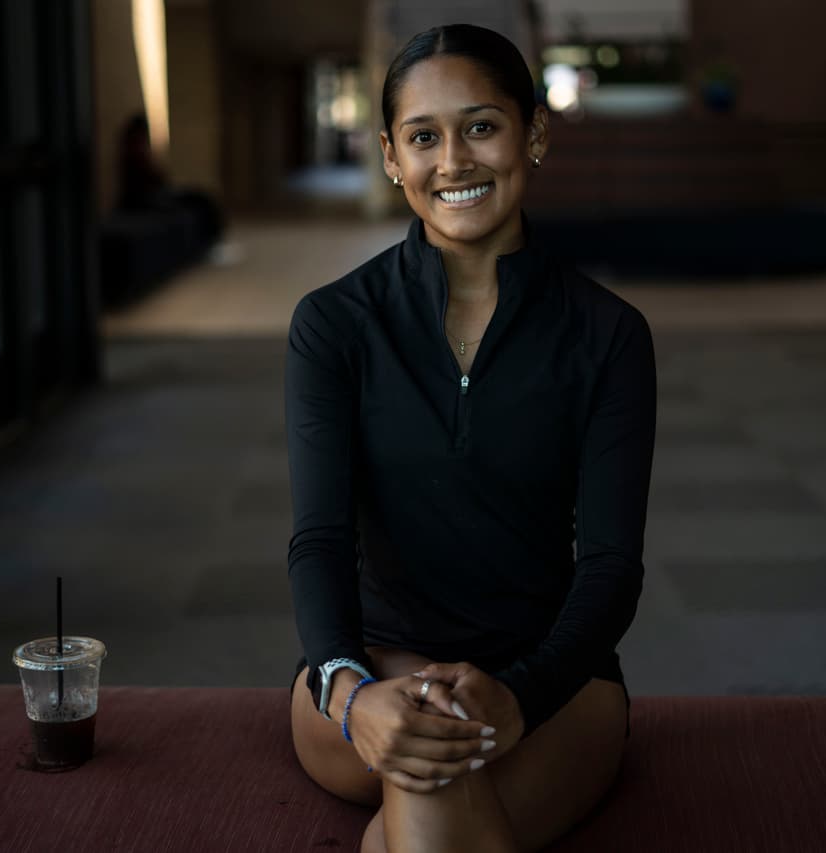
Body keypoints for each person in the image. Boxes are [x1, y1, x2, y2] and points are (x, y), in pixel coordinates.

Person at [285, 24, 656, 853]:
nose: (453, 160)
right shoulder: (333, 325)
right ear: (391, 156)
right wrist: (349, 689)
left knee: (429, 789)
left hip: (555, 685)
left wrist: (518, 695)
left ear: (534, 134)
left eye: (481, 126)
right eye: (424, 137)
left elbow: (610, 566)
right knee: (430, 746)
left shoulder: (608, 335)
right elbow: (319, 539)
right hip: (364, 675)